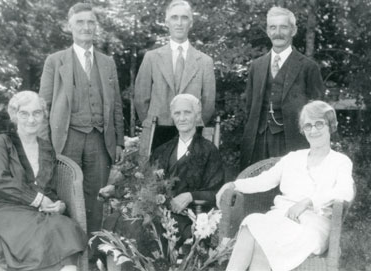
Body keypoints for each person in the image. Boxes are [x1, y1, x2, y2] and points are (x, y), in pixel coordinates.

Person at [216, 100, 355, 271]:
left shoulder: (340, 161)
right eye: (308, 126)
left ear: (331, 126)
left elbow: (345, 191)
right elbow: (263, 180)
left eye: (319, 124)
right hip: (281, 218)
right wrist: (233, 184)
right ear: (302, 130)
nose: (313, 130)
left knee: (263, 239)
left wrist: (308, 202)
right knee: (251, 223)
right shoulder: (293, 158)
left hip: (312, 225)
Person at [39, 2, 125, 265]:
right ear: (70, 26)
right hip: (68, 138)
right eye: (80, 23)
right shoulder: (56, 61)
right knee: (67, 198)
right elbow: (44, 106)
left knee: (97, 199)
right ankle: (69, 258)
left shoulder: (107, 63)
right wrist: (44, 144)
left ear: (95, 27)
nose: (86, 27)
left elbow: (117, 104)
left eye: (90, 22)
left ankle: (94, 257)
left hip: (100, 139)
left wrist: (119, 140)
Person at [101, 94, 224, 271]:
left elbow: (216, 193)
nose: (182, 118)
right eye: (177, 113)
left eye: (187, 113)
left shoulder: (209, 151)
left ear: (197, 116)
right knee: (116, 220)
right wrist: (115, 188)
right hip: (157, 210)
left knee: (140, 228)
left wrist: (190, 196)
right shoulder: (163, 149)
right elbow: (142, 179)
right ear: (172, 117)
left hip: (183, 216)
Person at [0, 91, 87, 271]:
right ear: (15, 115)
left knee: (65, 226)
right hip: (1, 206)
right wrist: (39, 200)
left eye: (36, 113)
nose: (31, 119)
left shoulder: (46, 148)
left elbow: (48, 189)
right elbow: (0, 181)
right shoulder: (2, 142)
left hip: (32, 210)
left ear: (43, 115)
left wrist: (58, 205)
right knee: (39, 234)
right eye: (24, 113)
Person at [240, 6, 324, 171]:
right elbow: (249, 108)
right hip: (259, 141)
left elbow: (317, 112)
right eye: (273, 27)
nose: (278, 32)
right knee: (257, 190)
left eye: (283, 27)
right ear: (268, 31)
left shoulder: (308, 67)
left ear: (293, 30)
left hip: (292, 141)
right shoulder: (256, 66)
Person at [134, 0, 216, 156]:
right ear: (167, 22)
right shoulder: (151, 58)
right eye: (174, 17)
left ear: (191, 23)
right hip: (157, 131)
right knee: (155, 178)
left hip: (191, 133)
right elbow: (141, 98)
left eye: (184, 18)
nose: (179, 23)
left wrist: (191, 123)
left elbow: (208, 102)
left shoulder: (204, 61)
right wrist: (153, 122)